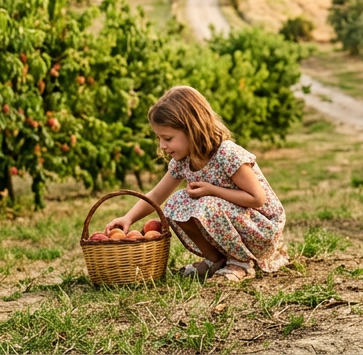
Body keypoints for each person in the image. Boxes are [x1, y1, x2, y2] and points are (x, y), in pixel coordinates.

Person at [105, 86, 287, 282]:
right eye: (159, 138)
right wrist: (128, 218)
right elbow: (157, 195)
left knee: (208, 204)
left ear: (192, 129)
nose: (162, 146)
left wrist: (212, 190)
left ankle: (241, 262)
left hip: (261, 229)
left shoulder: (226, 153)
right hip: (234, 224)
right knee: (176, 202)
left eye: (167, 138)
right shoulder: (183, 161)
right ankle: (216, 260)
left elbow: (257, 198)